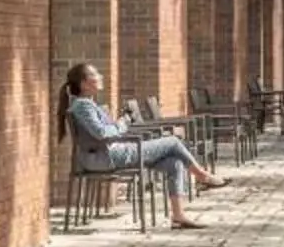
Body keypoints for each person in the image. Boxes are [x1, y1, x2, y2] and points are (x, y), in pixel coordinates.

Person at [56, 63, 226, 230]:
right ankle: (202, 176)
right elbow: (101, 133)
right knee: (173, 141)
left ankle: (178, 216)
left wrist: (120, 124)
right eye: (95, 75)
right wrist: (122, 124)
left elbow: (106, 131)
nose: (101, 77)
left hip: (110, 154)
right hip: (106, 157)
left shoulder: (87, 104)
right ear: (84, 83)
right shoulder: (82, 106)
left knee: (174, 163)